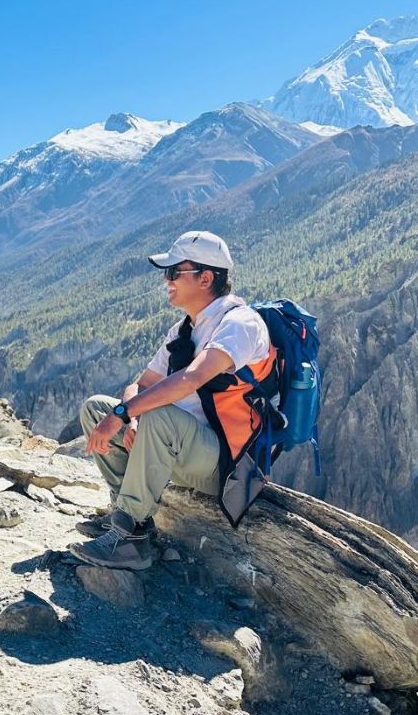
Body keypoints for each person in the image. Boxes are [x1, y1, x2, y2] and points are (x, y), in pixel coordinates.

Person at [69, 230, 273, 570]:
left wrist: (126, 413)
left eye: (175, 272)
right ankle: (129, 517)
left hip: (226, 462)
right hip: (179, 445)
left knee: (154, 414)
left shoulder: (239, 324)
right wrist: (129, 416)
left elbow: (192, 378)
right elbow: (143, 384)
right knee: (96, 410)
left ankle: (129, 537)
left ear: (206, 278)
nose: (167, 281)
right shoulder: (184, 330)